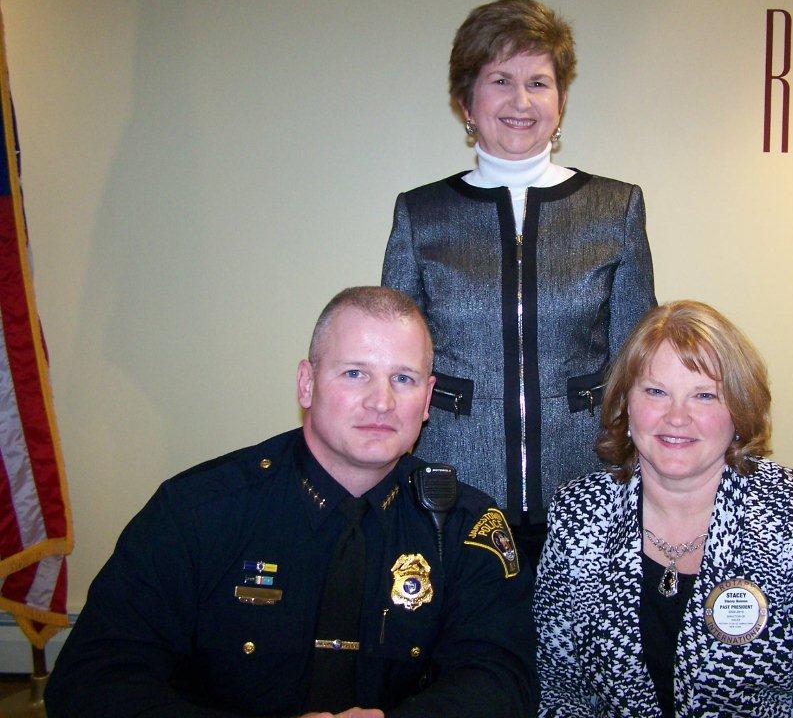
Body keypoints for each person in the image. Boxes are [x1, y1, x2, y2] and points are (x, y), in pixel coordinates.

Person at [46, 286, 537, 718]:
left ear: (427, 400)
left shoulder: (464, 526)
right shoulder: (200, 511)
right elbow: (92, 681)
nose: (382, 402)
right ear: (307, 383)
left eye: (403, 379)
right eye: (354, 373)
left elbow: (502, 681)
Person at [382, 0, 656, 563]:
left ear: (561, 99)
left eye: (539, 82)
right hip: (454, 483)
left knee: (572, 646)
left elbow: (642, 356)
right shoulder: (423, 213)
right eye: (500, 80)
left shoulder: (615, 207)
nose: (521, 101)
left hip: (586, 483)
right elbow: (394, 362)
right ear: (467, 101)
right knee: (470, 644)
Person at [534, 300, 793, 717]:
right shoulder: (577, 514)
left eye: (704, 395)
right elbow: (559, 689)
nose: (676, 417)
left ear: (739, 411)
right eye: (656, 391)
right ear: (626, 404)